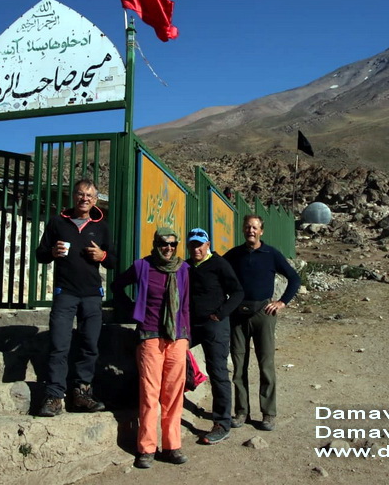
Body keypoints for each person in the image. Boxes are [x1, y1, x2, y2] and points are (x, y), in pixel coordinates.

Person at [35, 178, 115, 417]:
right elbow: (40, 255)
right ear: (73, 196)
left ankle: (82, 393)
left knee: (89, 345)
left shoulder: (102, 227)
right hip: (65, 293)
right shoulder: (58, 222)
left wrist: (102, 256)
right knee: (59, 345)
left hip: (91, 295)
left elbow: (113, 260)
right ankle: (54, 396)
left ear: (95, 200)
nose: (84, 199)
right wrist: (52, 252)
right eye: (81, 194)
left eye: (89, 196)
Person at [111, 227, 190, 470]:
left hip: (176, 337)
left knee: (174, 394)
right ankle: (146, 448)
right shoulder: (142, 266)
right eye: (164, 243)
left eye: (173, 244)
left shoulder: (183, 269)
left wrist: (186, 335)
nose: (169, 248)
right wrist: (135, 311)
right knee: (149, 393)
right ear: (156, 244)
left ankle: (172, 446)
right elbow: (117, 286)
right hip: (150, 336)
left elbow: (185, 304)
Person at [224, 214, 301, 432]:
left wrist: (281, 302)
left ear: (261, 231)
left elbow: (294, 278)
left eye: (255, 227)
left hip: (263, 314)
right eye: (248, 227)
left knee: (266, 365)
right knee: (239, 365)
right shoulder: (234, 255)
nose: (251, 231)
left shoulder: (271, 254)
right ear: (243, 229)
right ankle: (241, 412)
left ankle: (268, 413)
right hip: (238, 316)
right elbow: (218, 274)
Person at [186, 227, 244, 445]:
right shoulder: (186, 266)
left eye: (200, 244)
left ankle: (222, 423)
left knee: (218, 371)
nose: (196, 249)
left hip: (215, 326)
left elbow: (237, 292)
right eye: (193, 244)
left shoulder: (219, 264)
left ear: (208, 245)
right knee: (173, 357)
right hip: (191, 325)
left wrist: (220, 314)